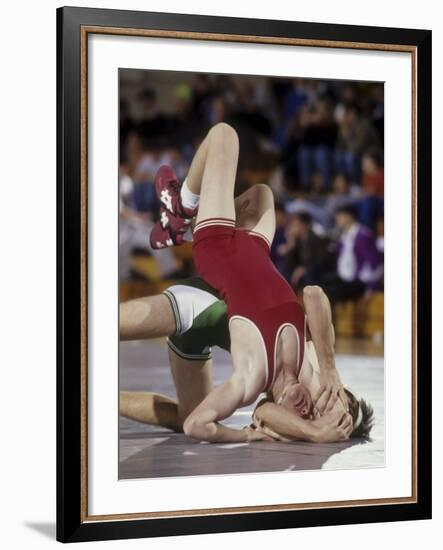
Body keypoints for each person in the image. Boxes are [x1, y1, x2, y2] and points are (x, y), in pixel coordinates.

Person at [148, 122, 355, 443]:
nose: (307, 407)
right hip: (257, 247)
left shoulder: (249, 379)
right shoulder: (309, 370)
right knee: (262, 194)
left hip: (217, 248)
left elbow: (196, 424)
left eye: (304, 417)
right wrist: (329, 369)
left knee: (224, 135)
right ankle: (182, 228)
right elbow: (313, 294)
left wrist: (248, 436)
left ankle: (182, 209)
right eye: (317, 408)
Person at [120, 277, 374, 442]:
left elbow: (263, 412)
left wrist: (312, 431)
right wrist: (330, 368)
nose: (315, 411)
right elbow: (314, 293)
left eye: (319, 417)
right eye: (330, 408)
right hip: (204, 303)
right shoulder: (317, 366)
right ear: (338, 394)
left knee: (184, 419)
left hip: (197, 335)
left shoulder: (299, 417)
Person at [321, 204, 383, 303]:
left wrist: (371, 287)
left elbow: (374, 264)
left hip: (360, 281)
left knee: (332, 291)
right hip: (345, 278)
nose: (337, 219)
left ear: (350, 217)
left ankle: (328, 318)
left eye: (339, 216)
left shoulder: (363, 235)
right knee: (320, 284)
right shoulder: (343, 236)